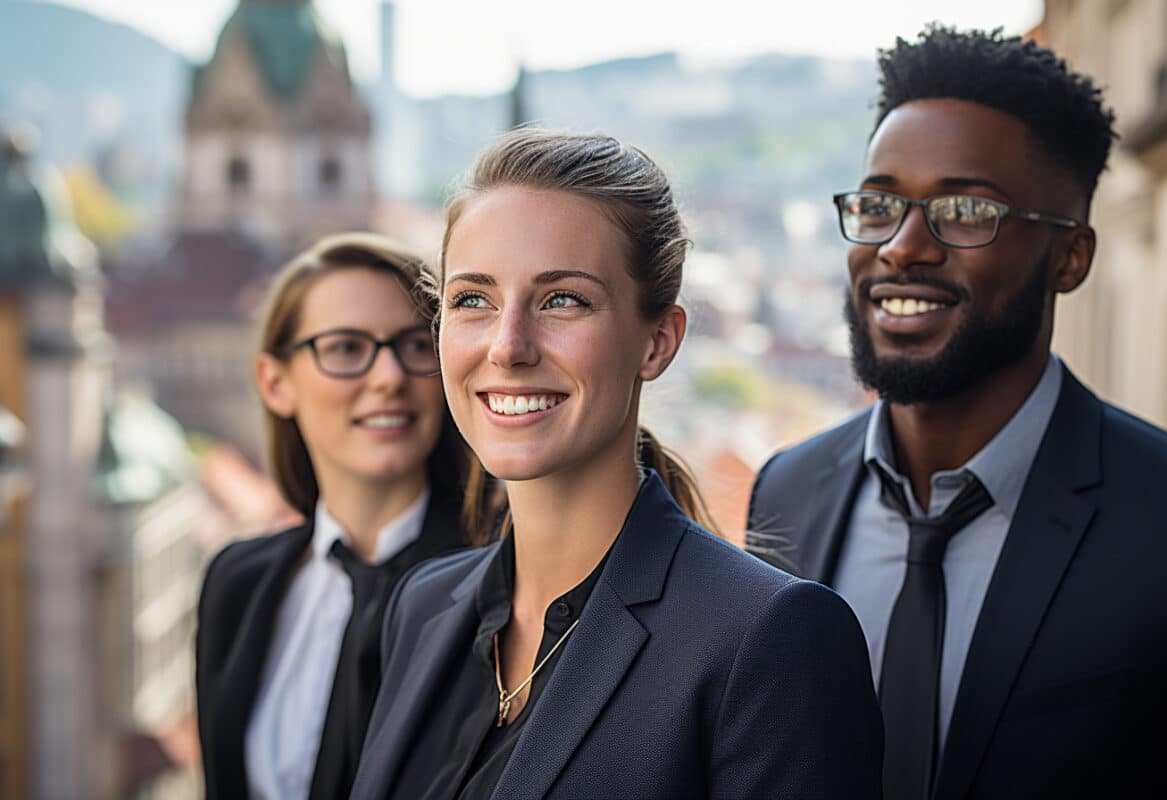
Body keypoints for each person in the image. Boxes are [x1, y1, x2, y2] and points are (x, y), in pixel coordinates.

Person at [350, 129, 883, 800]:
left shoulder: (768, 640)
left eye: (562, 299)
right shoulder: (422, 606)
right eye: (472, 300)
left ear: (658, 342)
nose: (507, 346)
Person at [747, 25, 1167, 800]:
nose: (902, 246)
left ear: (1070, 257)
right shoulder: (785, 492)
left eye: (964, 210)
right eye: (880, 202)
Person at [195, 233, 481, 800]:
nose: (389, 377)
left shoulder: (496, 586)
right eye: (347, 348)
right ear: (275, 383)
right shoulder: (238, 583)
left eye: (416, 346)